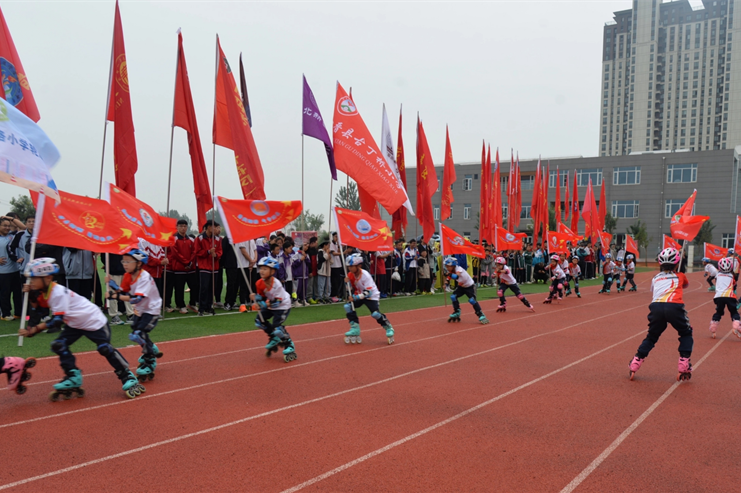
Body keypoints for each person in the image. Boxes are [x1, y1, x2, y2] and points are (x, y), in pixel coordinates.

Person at [19, 258, 145, 399]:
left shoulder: (58, 292)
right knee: (58, 345)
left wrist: (34, 330)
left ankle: (127, 375)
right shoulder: (44, 292)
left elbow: (57, 321)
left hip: (93, 320)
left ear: (48, 278)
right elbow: (41, 311)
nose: (31, 281)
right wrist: (31, 296)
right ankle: (73, 375)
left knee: (104, 348)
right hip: (75, 323)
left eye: (34, 278)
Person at [628, 248, 694, 381]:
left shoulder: (655, 278)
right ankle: (684, 363)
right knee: (686, 333)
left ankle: (636, 361)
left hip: (656, 307)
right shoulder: (680, 276)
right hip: (674, 306)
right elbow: (686, 285)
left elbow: (654, 291)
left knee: (652, 336)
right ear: (677, 263)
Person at [107, 249, 164, 382]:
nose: (124, 264)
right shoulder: (128, 275)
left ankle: (150, 359)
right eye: (123, 261)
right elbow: (124, 291)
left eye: (128, 261)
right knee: (135, 331)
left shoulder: (144, 277)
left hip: (151, 309)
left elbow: (136, 299)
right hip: (140, 309)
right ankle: (150, 347)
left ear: (138, 263)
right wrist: (113, 285)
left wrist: (114, 296)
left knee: (139, 333)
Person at [250, 256, 297, 362]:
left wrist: (262, 305)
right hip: (270, 305)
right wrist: (256, 299)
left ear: (272, 271)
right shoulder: (259, 283)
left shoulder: (277, 284)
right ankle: (273, 337)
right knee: (259, 321)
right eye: (261, 268)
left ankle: (289, 343)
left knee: (277, 328)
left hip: (282, 305)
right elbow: (262, 297)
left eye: (265, 269)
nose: (262, 271)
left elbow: (276, 302)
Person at [342, 253, 394, 344]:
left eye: (351, 266)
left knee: (375, 314)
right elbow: (350, 289)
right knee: (348, 307)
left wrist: (355, 297)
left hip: (371, 296)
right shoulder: (350, 275)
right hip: (359, 294)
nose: (349, 268)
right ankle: (355, 327)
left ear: (358, 266)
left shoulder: (365, 275)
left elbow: (368, 292)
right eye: (348, 267)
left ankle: (388, 327)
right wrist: (347, 283)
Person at [443, 256, 489, 324]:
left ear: (453, 265)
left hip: (470, 286)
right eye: (446, 266)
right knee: (453, 296)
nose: (447, 268)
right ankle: (457, 311)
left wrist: (449, 274)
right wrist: (446, 284)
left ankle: (480, 314)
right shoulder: (451, 271)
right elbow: (448, 279)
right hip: (461, 287)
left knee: (472, 300)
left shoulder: (459, 269)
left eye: (448, 266)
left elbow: (456, 276)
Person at [167, 220, 197, 314]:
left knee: (194, 286)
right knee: (179, 288)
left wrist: (190, 262)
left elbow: (194, 251)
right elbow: (175, 254)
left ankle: (192, 303)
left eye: (184, 226)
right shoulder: (174, 239)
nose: (183, 228)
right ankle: (181, 305)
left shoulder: (191, 239)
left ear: (187, 227)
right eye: (181, 226)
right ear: (177, 227)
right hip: (179, 268)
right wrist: (186, 263)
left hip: (191, 268)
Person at [195, 220, 222, 316]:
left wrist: (216, 255)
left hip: (214, 266)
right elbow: (197, 251)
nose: (216, 229)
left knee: (212, 288)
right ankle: (201, 308)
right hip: (204, 266)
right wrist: (208, 252)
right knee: (204, 288)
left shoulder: (217, 239)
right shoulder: (200, 238)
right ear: (209, 227)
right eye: (214, 227)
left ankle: (209, 307)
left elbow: (220, 251)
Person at [709, 257, 738, 339]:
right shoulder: (732, 276)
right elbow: (734, 285)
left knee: (719, 312)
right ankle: (736, 326)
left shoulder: (717, 275)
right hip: (730, 296)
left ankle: (713, 328)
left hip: (718, 297)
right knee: (734, 312)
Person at [0, 216, 22, 320]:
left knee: (18, 293)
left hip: (16, 269)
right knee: (5, 294)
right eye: (4, 226)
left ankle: (18, 313)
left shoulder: (12, 235)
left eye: (8, 226)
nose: (7, 228)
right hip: (3, 271)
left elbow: (23, 227)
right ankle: (5, 314)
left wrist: (10, 218)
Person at [103, 253, 135, 325]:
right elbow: (104, 256)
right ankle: (114, 316)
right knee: (113, 294)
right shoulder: (109, 246)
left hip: (125, 270)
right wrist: (109, 267)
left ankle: (130, 314)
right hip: (113, 271)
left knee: (128, 292)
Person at [291, 242, 310, 306]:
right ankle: (295, 300)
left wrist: (305, 257)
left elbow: (309, 263)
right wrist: (300, 260)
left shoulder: (306, 255)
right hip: (299, 275)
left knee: (304, 289)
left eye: (307, 246)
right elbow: (293, 264)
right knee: (297, 289)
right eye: (305, 245)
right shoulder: (296, 254)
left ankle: (303, 299)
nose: (306, 247)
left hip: (305, 274)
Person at [329, 232, 345, 299]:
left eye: (337, 237)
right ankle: (333, 295)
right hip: (334, 265)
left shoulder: (336, 244)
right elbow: (334, 253)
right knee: (334, 281)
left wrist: (339, 246)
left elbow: (338, 251)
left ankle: (337, 295)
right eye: (335, 236)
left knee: (338, 281)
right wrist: (343, 253)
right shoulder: (331, 244)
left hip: (338, 265)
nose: (337, 238)